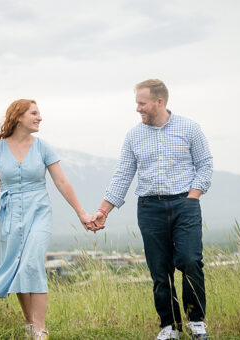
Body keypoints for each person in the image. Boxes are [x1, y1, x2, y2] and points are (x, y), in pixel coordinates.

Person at [87, 79, 213, 340]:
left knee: (190, 260)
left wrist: (192, 197)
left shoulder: (189, 128)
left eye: (141, 103)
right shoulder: (133, 136)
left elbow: (205, 164)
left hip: (184, 204)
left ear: (159, 102)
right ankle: (169, 326)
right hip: (149, 207)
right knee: (159, 268)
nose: (137, 109)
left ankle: (196, 321)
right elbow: (123, 175)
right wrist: (104, 210)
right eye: (137, 103)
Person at [0, 99, 96, 339]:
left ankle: (40, 329)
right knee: (17, 267)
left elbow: (61, 182)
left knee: (32, 263)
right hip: (9, 215)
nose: (39, 117)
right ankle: (30, 323)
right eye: (34, 113)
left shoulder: (43, 147)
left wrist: (81, 213)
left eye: (39, 113)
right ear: (18, 117)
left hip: (39, 212)